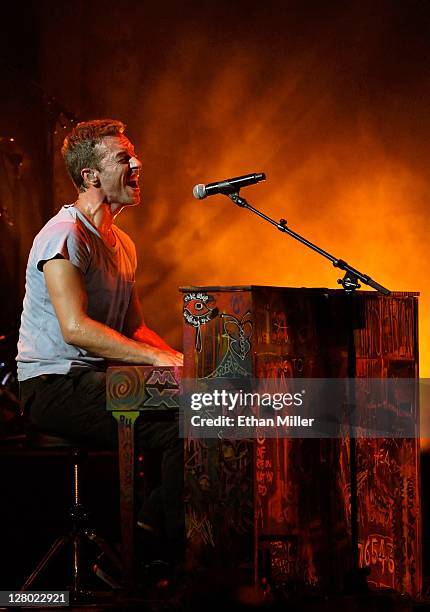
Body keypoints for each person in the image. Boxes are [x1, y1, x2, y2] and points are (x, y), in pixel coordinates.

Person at [16, 118, 184, 568]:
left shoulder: (123, 244)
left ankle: (147, 540)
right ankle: (165, 556)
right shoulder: (63, 235)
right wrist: (159, 359)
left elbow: (134, 329)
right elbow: (77, 328)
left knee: (204, 408)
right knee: (184, 427)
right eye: (123, 158)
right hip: (53, 387)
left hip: (96, 381)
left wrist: (182, 360)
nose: (137, 163)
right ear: (90, 176)